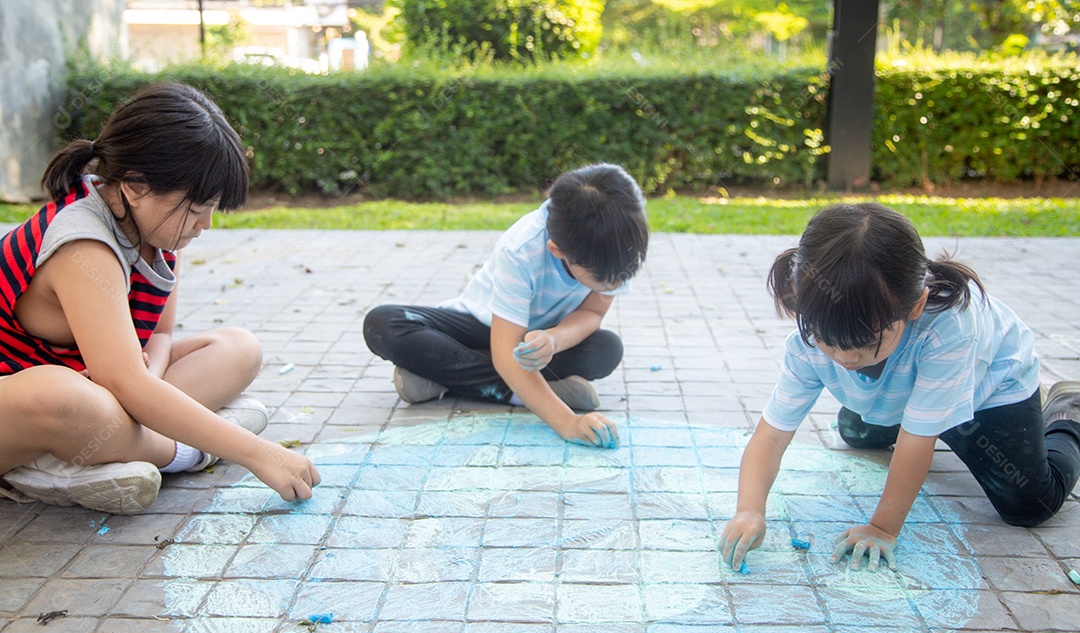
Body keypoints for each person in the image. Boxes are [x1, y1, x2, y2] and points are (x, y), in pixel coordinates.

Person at [0, 82, 320, 515]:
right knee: (67, 399)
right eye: (195, 208)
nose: (205, 224)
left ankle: (94, 457)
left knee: (238, 348)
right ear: (134, 186)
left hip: (99, 388)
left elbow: (160, 333)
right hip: (32, 401)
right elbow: (125, 384)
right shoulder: (83, 247)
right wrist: (259, 453)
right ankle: (187, 452)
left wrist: (149, 370)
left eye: (212, 207)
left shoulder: (158, 231)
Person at [720, 203, 1080, 572]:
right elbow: (771, 436)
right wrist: (749, 508)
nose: (844, 357)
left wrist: (882, 527)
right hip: (910, 390)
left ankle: (1070, 409)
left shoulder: (950, 330)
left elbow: (916, 442)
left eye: (863, 341)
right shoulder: (811, 337)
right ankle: (901, 406)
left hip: (987, 388)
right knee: (856, 433)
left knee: (1030, 503)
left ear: (916, 305)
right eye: (829, 339)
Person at [363, 163, 648, 448]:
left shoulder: (616, 243)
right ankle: (524, 391)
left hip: (536, 342)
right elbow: (505, 352)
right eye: (598, 278)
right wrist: (567, 421)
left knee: (606, 349)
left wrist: (555, 339)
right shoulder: (522, 249)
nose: (614, 283)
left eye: (623, 273)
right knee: (383, 323)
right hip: (483, 325)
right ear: (558, 250)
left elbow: (592, 312)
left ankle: (444, 375)